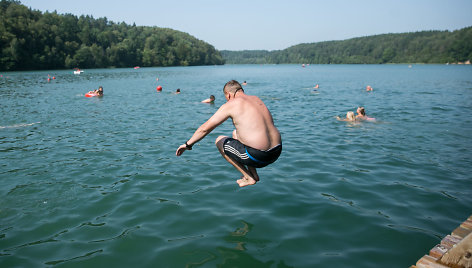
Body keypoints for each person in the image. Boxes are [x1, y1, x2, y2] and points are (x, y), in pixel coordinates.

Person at [176, 80, 282, 187]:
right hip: (276, 151)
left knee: (219, 140)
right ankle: (254, 174)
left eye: (226, 98)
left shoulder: (232, 104)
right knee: (235, 133)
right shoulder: (256, 99)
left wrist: (187, 145)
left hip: (260, 156)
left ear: (229, 95)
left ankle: (248, 177)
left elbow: (204, 129)